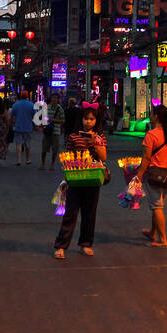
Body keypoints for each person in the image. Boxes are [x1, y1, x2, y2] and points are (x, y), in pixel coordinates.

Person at [54, 102, 107, 259]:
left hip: (93, 179)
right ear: (81, 119)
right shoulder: (73, 136)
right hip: (76, 178)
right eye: (86, 119)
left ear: (96, 121)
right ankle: (61, 246)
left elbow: (103, 158)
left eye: (91, 119)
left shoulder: (100, 137)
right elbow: (68, 157)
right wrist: (64, 180)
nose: (88, 122)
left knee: (89, 214)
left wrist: (95, 145)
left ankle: (86, 243)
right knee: (70, 213)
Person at [134, 103, 167, 247]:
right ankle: (152, 232)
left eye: (152, 114)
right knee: (158, 205)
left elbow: (146, 158)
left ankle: (162, 239)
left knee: (157, 207)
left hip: (154, 176)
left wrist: (139, 175)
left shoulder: (151, 135)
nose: (150, 116)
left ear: (156, 117)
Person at [10, 88, 37, 165]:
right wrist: (36, 126)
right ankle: (27, 159)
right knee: (27, 144)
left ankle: (18, 160)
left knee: (18, 144)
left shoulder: (15, 105)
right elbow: (35, 117)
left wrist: (11, 124)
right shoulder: (31, 105)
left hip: (18, 126)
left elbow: (11, 116)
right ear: (27, 96)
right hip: (28, 127)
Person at [40, 91, 65, 169]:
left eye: (56, 98)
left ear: (58, 100)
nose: (54, 99)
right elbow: (44, 117)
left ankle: (52, 165)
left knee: (55, 149)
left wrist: (53, 120)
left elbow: (63, 120)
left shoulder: (60, 109)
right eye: (53, 98)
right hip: (47, 131)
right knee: (44, 148)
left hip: (56, 131)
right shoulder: (47, 107)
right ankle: (43, 164)